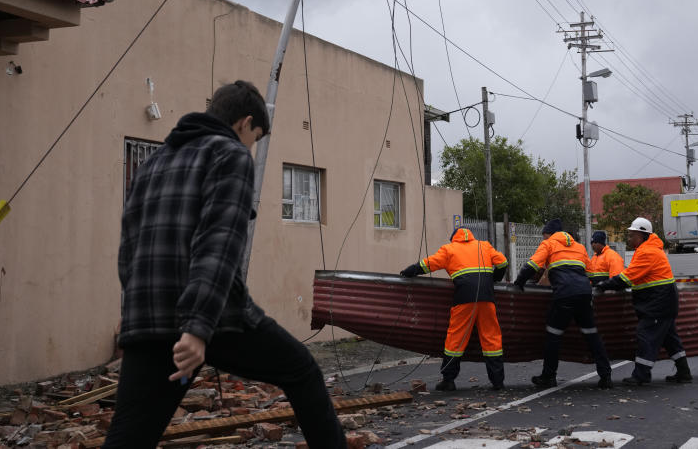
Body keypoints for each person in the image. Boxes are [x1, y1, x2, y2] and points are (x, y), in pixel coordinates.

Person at [105, 81, 345, 448]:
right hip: (216, 318)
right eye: (256, 137)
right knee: (302, 371)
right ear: (244, 123)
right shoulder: (229, 155)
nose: (252, 146)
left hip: (148, 317)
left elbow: (129, 247)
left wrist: (133, 313)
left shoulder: (152, 162)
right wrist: (197, 328)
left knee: (129, 436)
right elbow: (218, 243)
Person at [400, 227, 508, 390]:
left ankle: (448, 380)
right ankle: (498, 381)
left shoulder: (449, 249)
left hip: (464, 299)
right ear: (470, 237)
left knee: (456, 339)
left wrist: (408, 272)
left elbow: (427, 264)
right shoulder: (483, 246)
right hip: (487, 297)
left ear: (453, 239)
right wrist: (495, 279)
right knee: (491, 338)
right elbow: (503, 262)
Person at [513, 218, 612, 389]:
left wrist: (518, 283)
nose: (543, 240)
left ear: (550, 235)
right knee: (592, 335)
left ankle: (548, 376)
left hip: (564, 295)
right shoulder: (579, 247)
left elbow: (531, 265)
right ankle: (606, 376)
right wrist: (604, 287)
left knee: (553, 336)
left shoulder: (549, 244)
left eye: (545, 236)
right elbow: (593, 276)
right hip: (583, 295)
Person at [599, 218, 691, 386]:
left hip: (658, 302)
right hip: (664, 301)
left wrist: (606, 285)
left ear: (642, 235)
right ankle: (684, 373)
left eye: (632, 235)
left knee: (646, 335)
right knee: (670, 339)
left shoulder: (647, 252)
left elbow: (628, 276)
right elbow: (635, 276)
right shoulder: (648, 249)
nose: (630, 238)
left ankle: (641, 374)